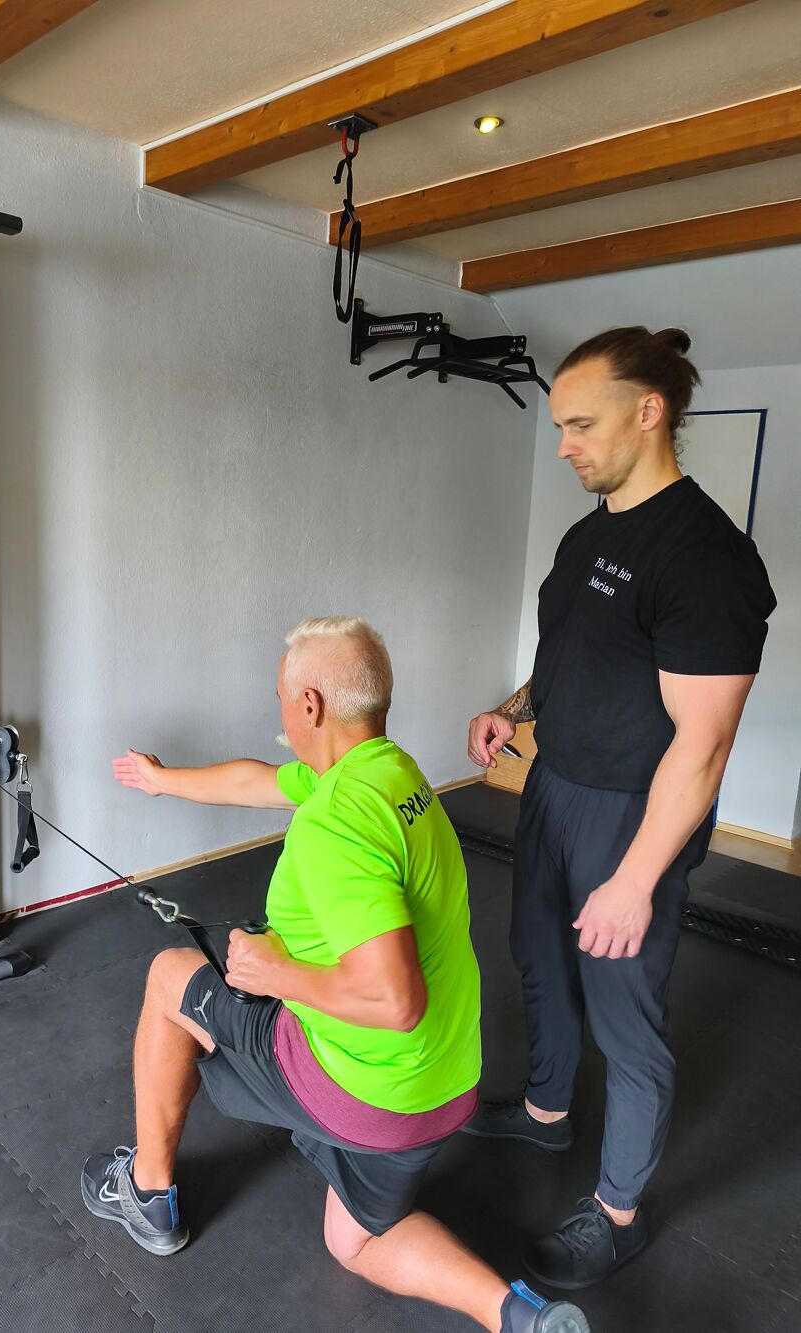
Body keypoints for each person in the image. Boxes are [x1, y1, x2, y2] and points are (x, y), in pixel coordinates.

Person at [83, 618, 591, 1333]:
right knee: (353, 1241)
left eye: (282, 699)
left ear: (310, 705)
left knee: (171, 976)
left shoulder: (335, 824)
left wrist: (277, 972)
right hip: (445, 1086)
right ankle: (516, 1314)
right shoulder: (392, 773)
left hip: (370, 1090)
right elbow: (257, 780)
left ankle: (146, 1192)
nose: (281, 714)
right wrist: (162, 781)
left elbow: (395, 999)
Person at [464, 327, 777, 1289]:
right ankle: (547, 1112)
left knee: (625, 1016)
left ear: (650, 411)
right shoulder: (588, 533)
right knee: (539, 958)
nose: (563, 445)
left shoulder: (707, 557)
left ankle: (618, 1212)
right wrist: (513, 709)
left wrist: (636, 878)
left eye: (581, 425)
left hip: (633, 814)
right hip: (554, 786)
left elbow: (705, 741)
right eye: (560, 426)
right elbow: (574, 653)